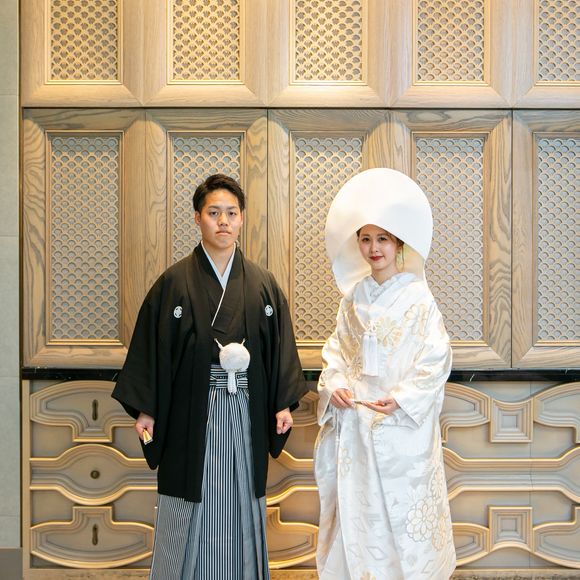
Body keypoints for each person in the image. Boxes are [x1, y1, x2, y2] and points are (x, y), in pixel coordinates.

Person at [112, 174, 307, 580]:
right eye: (214, 213)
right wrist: (147, 410)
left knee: (241, 496)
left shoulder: (262, 283)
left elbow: (280, 349)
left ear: (242, 219)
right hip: (190, 413)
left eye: (231, 214)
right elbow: (152, 349)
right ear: (197, 218)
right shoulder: (173, 283)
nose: (223, 222)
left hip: (246, 410)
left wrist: (282, 404)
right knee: (189, 496)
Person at [315, 168, 456, 579]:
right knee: (361, 515)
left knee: (402, 516)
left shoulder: (419, 298)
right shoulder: (353, 298)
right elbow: (337, 352)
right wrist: (336, 385)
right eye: (365, 238)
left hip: (400, 425)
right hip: (358, 422)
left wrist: (403, 398)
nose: (374, 248)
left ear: (398, 244)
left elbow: (436, 358)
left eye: (383, 239)